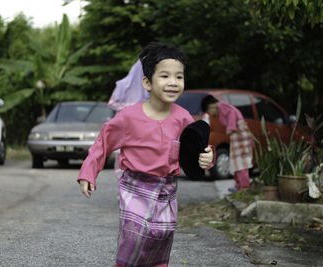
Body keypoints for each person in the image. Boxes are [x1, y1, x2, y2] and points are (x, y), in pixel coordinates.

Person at [77, 42, 214, 267]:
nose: (173, 82)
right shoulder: (128, 117)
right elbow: (102, 144)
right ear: (147, 83)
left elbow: (200, 149)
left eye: (179, 77)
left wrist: (208, 157)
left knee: (160, 240)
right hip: (135, 189)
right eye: (165, 76)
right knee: (134, 240)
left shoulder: (184, 118)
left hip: (167, 191)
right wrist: (88, 173)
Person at [201, 95, 253, 192]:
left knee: (241, 162)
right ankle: (238, 185)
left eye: (209, 112)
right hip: (236, 137)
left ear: (211, 106)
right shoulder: (221, 109)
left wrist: (230, 127)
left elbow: (232, 113)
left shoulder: (221, 105)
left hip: (240, 137)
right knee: (236, 162)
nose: (212, 114)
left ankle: (244, 187)